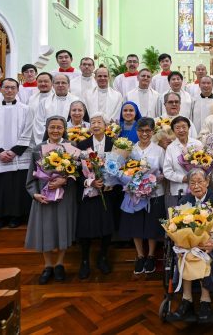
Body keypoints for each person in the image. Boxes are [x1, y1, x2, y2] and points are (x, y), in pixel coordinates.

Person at [170, 169, 213, 323]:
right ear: (188, 185)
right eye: (192, 183)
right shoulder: (184, 202)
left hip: (212, 246)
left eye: (200, 182)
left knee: (202, 253)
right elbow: (175, 226)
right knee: (186, 252)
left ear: (207, 182)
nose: (196, 186)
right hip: (190, 246)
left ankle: (205, 299)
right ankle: (186, 299)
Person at [25, 116, 80, 284]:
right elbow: (30, 178)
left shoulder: (71, 147)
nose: (55, 130)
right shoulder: (37, 148)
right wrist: (35, 194)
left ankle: (59, 264)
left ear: (65, 129)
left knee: (62, 228)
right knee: (45, 230)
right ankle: (48, 265)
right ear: (47, 129)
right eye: (52, 127)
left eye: (59, 127)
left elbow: (77, 172)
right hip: (44, 196)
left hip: (65, 196)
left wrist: (65, 179)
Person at [0, 78, 33, 230]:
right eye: (6, 88)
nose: (9, 90)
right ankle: (0, 217)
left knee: (17, 186)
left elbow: (28, 131)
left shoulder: (26, 109)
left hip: (19, 155)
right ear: (1, 90)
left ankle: (17, 216)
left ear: (17, 90)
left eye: (12, 88)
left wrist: (14, 151)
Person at [119, 117, 166, 275]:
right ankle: (140, 255)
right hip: (134, 194)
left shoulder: (159, 150)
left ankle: (151, 255)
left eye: (148, 131)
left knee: (152, 226)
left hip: (154, 193)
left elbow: (164, 172)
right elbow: (122, 170)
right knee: (136, 225)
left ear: (153, 132)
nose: (144, 134)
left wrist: (155, 178)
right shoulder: (130, 149)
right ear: (136, 131)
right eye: (141, 131)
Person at [74, 113, 115, 280]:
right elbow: (76, 171)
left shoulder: (114, 145)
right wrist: (90, 183)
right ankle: (84, 260)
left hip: (108, 192)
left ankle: (103, 257)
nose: (96, 124)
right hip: (88, 193)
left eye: (99, 122)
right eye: (93, 122)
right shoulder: (82, 145)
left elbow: (120, 167)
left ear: (106, 126)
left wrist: (110, 182)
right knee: (85, 228)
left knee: (106, 227)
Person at [162, 116, 204, 207]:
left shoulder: (198, 144)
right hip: (179, 190)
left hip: (198, 190)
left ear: (189, 128)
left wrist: (198, 177)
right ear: (173, 131)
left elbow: (206, 164)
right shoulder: (171, 148)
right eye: (177, 128)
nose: (181, 130)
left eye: (184, 127)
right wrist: (183, 178)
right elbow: (167, 171)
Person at [32, 74, 79, 145]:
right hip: (49, 142)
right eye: (57, 83)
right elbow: (39, 124)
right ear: (53, 85)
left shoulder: (77, 101)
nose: (60, 85)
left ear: (68, 85)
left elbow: (79, 123)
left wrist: (69, 140)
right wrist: (48, 141)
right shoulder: (44, 102)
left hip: (71, 141)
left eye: (63, 83)